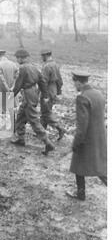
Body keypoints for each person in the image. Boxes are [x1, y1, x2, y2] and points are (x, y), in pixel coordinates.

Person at [66, 71, 107, 201]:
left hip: (87, 139)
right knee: (100, 166)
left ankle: (81, 193)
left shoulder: (82, 97)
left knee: (78, 164)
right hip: (100, 137)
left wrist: (76, 143)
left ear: (78, 81)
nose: (74, 86)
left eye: (74, 83)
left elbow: (82, 125)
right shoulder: (99, 94)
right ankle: (81, 193)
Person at [10, 49, 55, 155]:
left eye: (18, 58)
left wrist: (11, 96)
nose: (17, 60)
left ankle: (48, 143)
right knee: (20, 116)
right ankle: (20, 138)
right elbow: (42, 81)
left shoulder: (22, 68)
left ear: (22, 58)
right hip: (33, 93)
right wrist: (44, 95)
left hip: (28, 93)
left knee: (34, 120)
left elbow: (18, 84)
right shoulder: (34, 67)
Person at [40, 49, 66, 141]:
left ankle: (60, 128)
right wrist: (58, 92)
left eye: (42, 56)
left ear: (45, 55)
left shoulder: (47, 66)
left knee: (46, 112)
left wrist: (44, 94)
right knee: (45, 111)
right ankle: (41, 132)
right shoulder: (55, 64)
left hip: (47, 90)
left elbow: (43, 82)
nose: (41, 57)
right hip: (53, 89)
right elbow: (60, 80)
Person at [0, 50, 18, 129]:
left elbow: (2, 79)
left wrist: (7, 89)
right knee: (12, 105)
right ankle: (14, 124)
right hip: (12, 88)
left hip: (2, 87)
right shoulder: (13, 64)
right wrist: (12, 87)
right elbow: (17, 77)